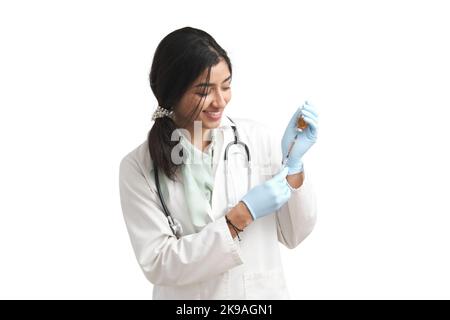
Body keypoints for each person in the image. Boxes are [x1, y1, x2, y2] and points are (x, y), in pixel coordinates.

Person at [119, 26, 319, 299]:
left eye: (226, 86)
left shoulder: (256, 139)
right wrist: (241, 215)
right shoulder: (138, 168)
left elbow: (294, 234)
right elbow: (158, 262)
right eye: (204, 91)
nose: (220, 100)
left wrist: (293, 166)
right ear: (172, 93)